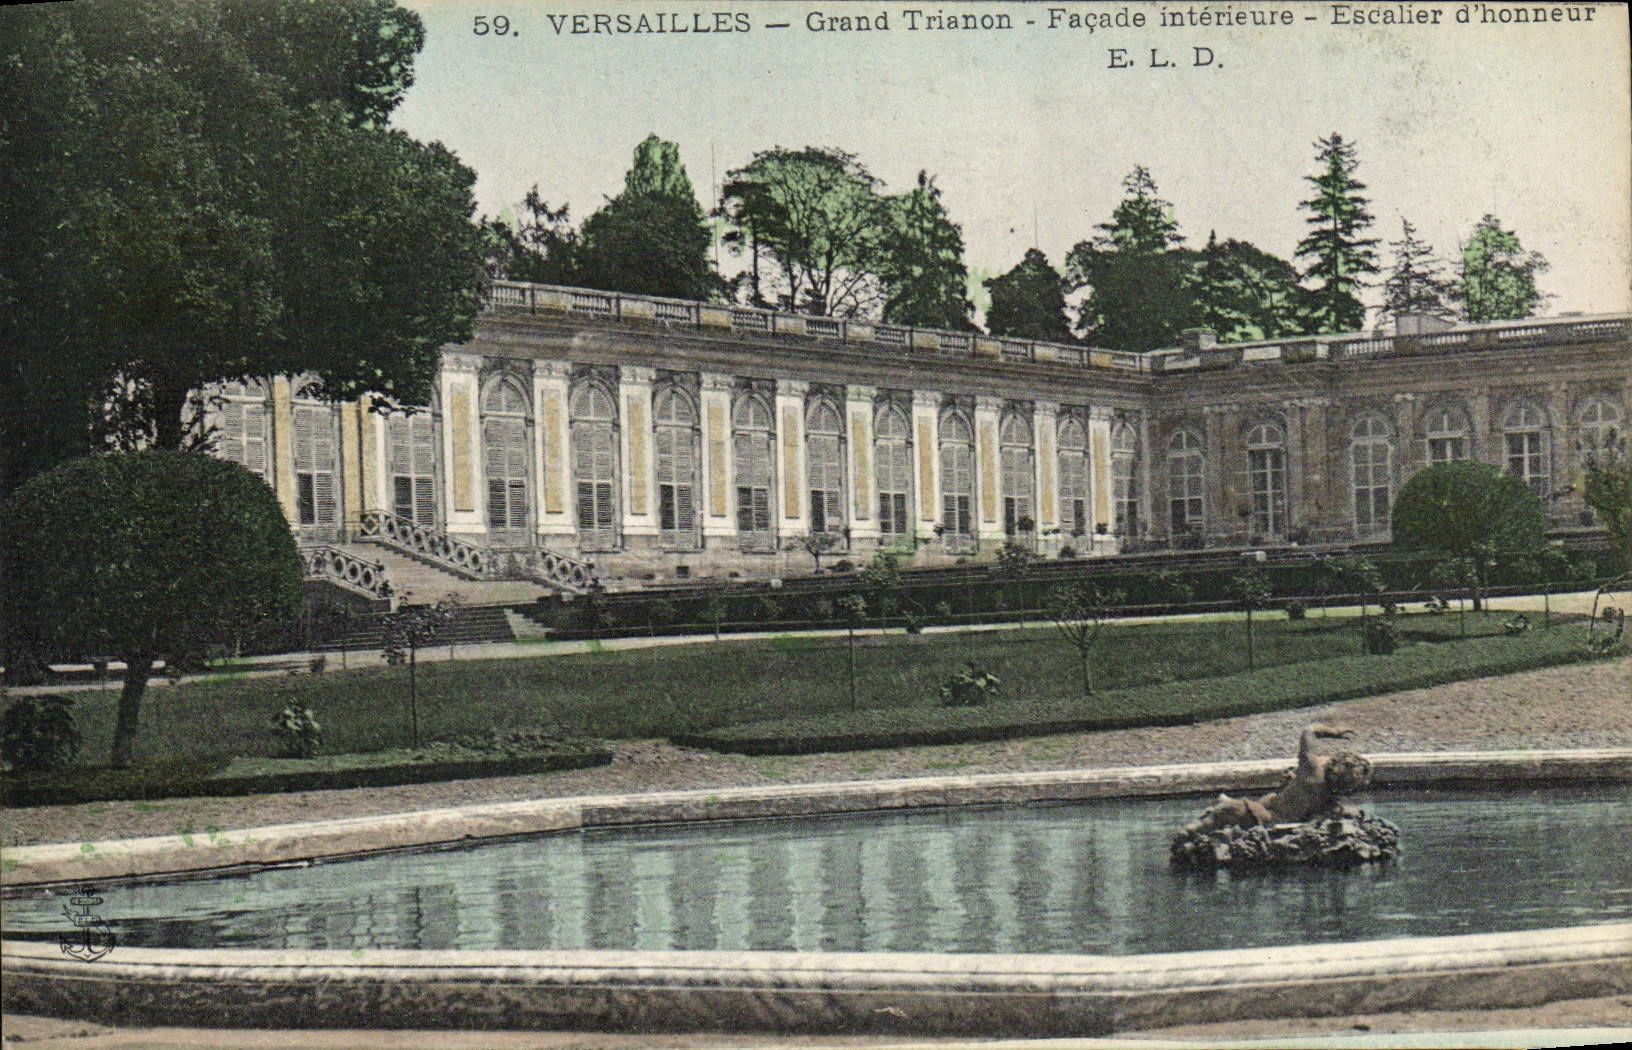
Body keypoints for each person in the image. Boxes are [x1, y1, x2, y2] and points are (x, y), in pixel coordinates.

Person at [1183, 722, 1372, 835]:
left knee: (1233, 807)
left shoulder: (1312, 770)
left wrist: (1334, 731)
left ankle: (1193, 830)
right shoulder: (1330, 796)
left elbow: (1309, 731)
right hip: (1274, 811)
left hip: (1271, 818)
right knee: (1259, 800)